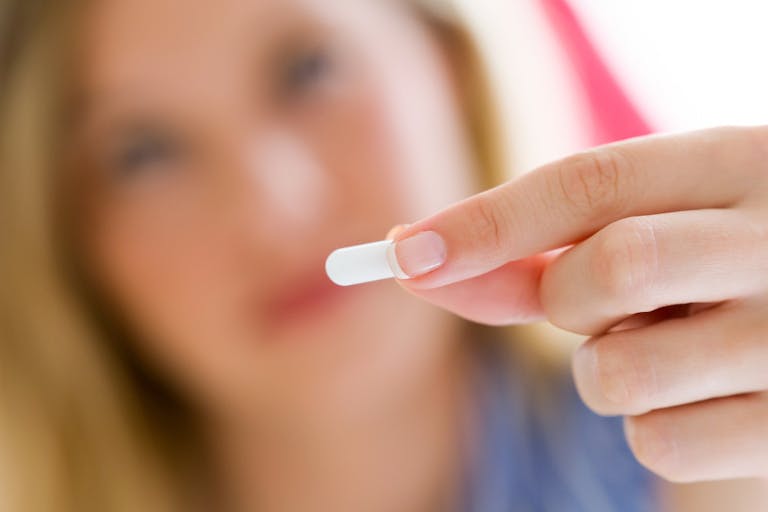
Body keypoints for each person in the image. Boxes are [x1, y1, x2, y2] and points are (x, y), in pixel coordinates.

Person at [0, 0, 766, 510]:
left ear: (449, 65)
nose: (273, 208)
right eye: (144, 153)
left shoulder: (700, 446)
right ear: (66, 245)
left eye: (308, 69)